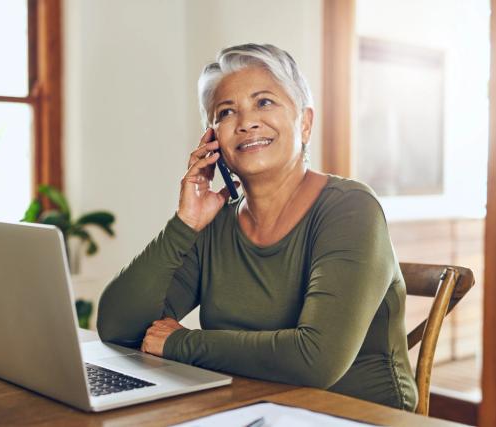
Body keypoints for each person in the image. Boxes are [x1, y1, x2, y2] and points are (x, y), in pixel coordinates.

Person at [97, 43, 418, 411]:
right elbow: (119, 327)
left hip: (352, 416)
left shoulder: (351, 208)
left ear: (305, 123)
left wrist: (179, 343)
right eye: (226, 111)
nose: (246, 121)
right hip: (246, 409)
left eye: (264, 102)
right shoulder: (216, 224)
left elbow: (316, 359)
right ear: (213, 140)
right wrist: (184, 224)